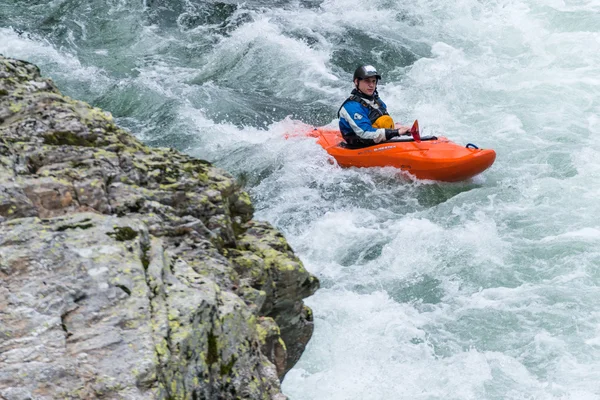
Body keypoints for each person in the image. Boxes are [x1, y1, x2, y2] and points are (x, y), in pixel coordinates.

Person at [338, 65, 411, 146]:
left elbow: (382, 123)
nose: (371, 85)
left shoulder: (377, 101)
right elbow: (365, 134)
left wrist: (401, 129)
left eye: (373, 81)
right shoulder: (351, 107)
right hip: (359, 147)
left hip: (377, 143)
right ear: (356, 81)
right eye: (367, 81)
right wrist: (397, 132)